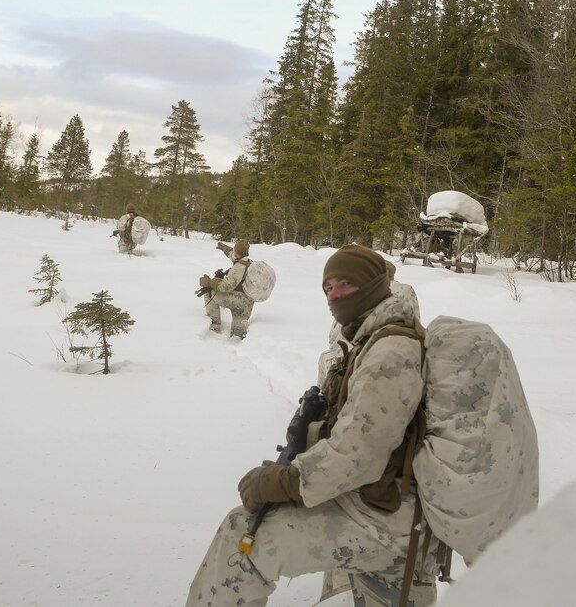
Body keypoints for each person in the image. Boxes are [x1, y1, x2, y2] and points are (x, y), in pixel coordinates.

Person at [185, 244, 438, 607]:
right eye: (328, 287)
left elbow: (359, 454)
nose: (334, 294)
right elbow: (378, 432)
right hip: (394, 509)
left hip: (384, 518)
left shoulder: (390, 352)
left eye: (346, 283)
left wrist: (286, 481)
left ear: (374, 286)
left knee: (241, 535)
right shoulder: (372, 340)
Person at [199, 239, 255, 339]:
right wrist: (225, 248)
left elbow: (226, 287)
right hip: (248, 302)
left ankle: (215, 326)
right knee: (237, 334)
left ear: (239, 253)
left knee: (210, 292)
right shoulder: (247, 261)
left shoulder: (239, 267)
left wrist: (210, 282)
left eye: (235, 251)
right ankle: (239, 336)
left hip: (239, 300)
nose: (234, 253)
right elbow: (232, 254)